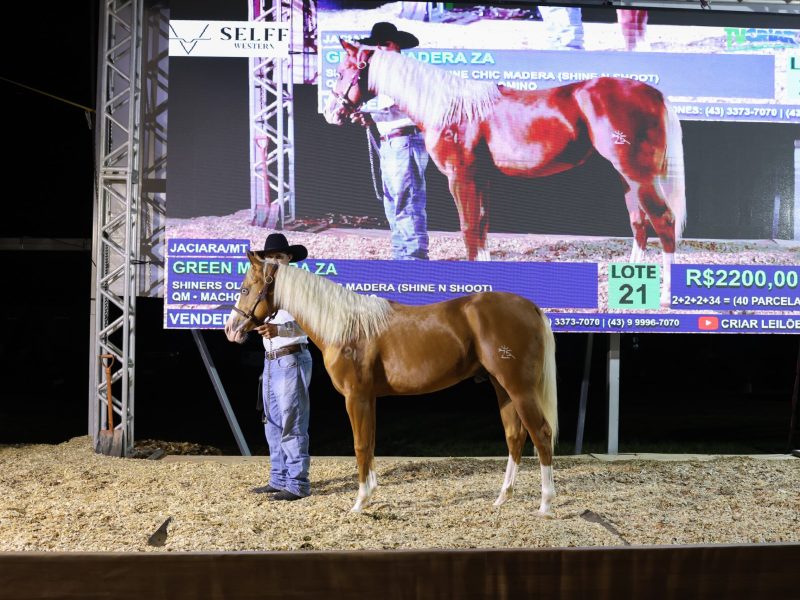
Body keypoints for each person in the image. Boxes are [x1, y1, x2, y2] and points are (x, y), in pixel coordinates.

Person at [350, 22, 430, 260]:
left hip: (406, 140)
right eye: (377, 45)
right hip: (390, 142)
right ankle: (400, 255)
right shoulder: (382, 75)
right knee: (392, 202)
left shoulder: (409, 71)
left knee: (407, 201)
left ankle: (415, 258)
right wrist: (369, 118)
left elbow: (407, 108)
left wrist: (372, 115)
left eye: (386, 44)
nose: (381, 49)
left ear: (397, 46)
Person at [250, 233, 313, 501]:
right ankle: (278, 477)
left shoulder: (301, 287)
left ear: (289, 259)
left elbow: (311, 324)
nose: (274, 261)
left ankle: (298, 482)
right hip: (272, 359)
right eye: (269, 257)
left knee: (292, 420)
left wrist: (279, 328)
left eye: (279, 256)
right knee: (272, 422)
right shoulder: (267, 288)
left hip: (291, 357)